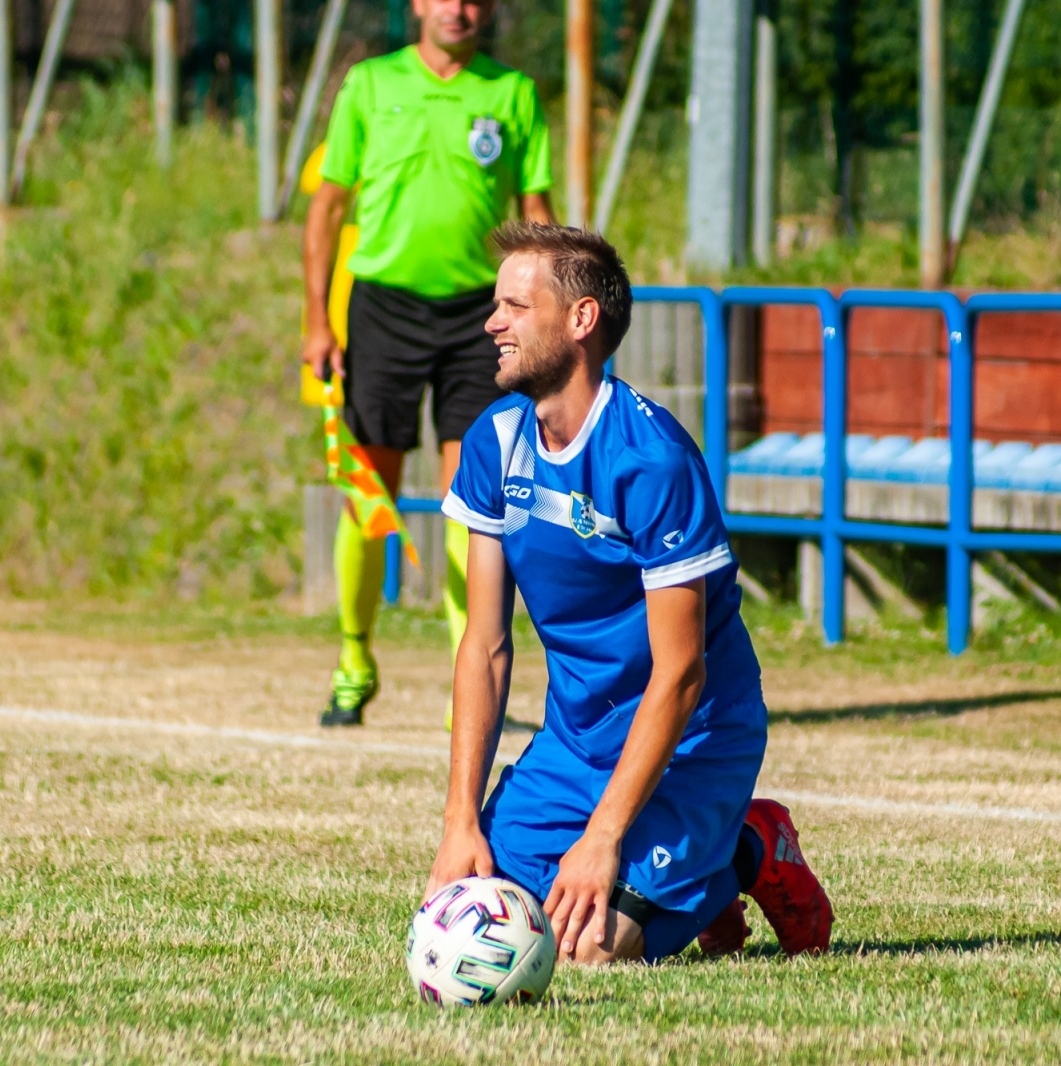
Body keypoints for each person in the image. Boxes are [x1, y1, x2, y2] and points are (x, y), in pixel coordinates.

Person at [425, 222, 834, 963]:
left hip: (693, 741)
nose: (491, 323)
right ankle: (687, 869)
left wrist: (604, 838)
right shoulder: (493, 440)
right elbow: (484, 647)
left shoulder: (651, 459)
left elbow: (681, 673)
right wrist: (460, 822)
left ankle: (748, 845)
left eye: (515, 307)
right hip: (576, 745)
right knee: (487, 912)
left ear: (580, 320)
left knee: (591, 945)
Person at [302, 0, 555, 727]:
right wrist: (318, 318)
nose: (460, 9)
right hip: (381, 308)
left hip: (482, 311)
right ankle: (354, 658)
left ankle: (467, 683)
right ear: (418, 4)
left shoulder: (510, 93)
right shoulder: (371, 85)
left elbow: (534, 210)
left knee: (473, 498)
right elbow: (326, 208)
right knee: (367, 490)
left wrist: (545, 308)